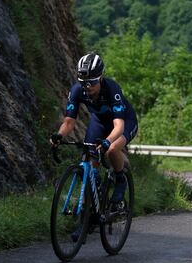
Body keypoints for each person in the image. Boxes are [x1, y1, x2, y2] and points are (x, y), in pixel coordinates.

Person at [50, 53, 138, 204]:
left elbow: (119, 126)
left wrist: (107, 142)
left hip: (124, 122)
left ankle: (120, 179)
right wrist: (59, 135)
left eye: (92, 81)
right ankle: (88, 211)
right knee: (90, 164)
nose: (87, 86)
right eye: (83, 82)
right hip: (99, 122)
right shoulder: (77, 90)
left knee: (111, 149)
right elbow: (69, 122)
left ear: (101, 77)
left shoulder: (112, 89)